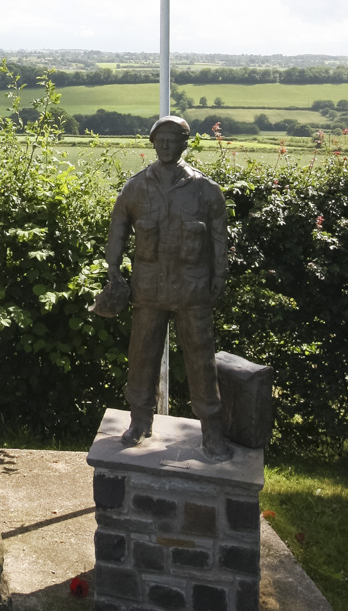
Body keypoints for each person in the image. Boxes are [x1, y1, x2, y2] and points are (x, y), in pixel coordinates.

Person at [105, 115, 230, 461]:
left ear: (184, 144)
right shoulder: (135, 188)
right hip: (148, 289)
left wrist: (219, 274)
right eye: (159, 140)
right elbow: (118, 227)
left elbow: (220, 238)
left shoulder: (206, 191)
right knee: (142, 354)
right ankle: (139, 420)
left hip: (192, 290)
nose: (165, 145)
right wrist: (113, 267)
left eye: (172, 139)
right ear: (152, 143)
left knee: (200, 359)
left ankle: (211, 430)